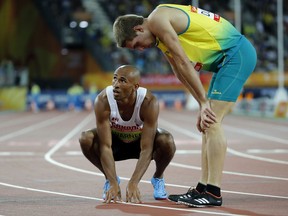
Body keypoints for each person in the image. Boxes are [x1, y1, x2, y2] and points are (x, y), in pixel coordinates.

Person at [113, 3, 257, 207]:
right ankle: (203, 187)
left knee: (212, 123)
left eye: (137, 44)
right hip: (226, 60)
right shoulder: (159, 36)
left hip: (236, 54)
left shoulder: (158, 20)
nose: (140, 50)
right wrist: (201, 103)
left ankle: (213, 193)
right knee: (207, 124)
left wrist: (204, 103)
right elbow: (178, 71)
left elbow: (182, 61)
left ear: (139, 28)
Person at [79, 65, 176, 203]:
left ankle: (158, 177)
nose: (116, 85)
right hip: (115, 144)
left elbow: (147, 148)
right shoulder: (103, 100)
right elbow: (106, 146)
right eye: (114, 78)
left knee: (167, 141)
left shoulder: (148, 102)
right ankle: (109, 178)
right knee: (85, 138)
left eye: (122, 81)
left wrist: (134, 182)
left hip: (139, 143)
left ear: (135, 86)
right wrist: (113, 181)